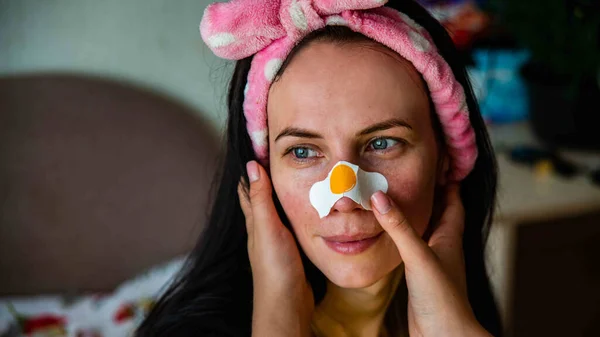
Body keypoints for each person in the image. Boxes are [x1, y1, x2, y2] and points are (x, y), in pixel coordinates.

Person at [136, 0, 502, 336]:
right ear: (264, 176)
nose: (345, 198)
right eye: (303, 152)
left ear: (444, 158)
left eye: (382, 144)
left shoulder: (465, 314)